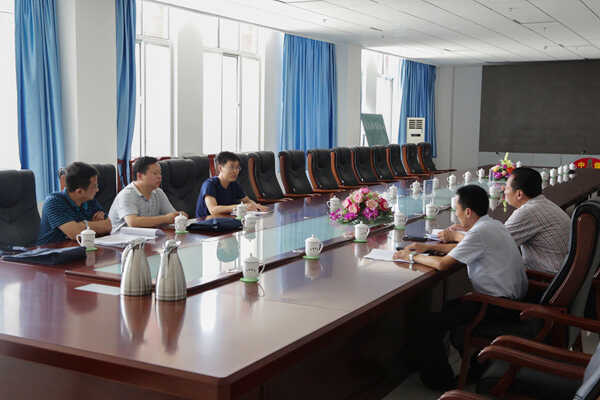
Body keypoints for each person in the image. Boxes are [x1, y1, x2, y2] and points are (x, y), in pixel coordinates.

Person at [394, 185, 528, 390]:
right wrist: (427, 247)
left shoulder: (480, 232)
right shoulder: (493, 225)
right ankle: (468, 366)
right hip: (512, 300)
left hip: (498, 305)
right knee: (448, 309)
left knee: (428, 323)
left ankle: (440, 382)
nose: (455, 215)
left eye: (456, 210)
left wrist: (411, 256)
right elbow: (463, 247)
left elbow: (442, 264)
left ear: (468, 212)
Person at [440, 168, 570, 273]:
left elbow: (490, 244)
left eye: (506, 187)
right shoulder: (541, 203)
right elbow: (496, 235)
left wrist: (455, 235)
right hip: (560, 275)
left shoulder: (528, 212)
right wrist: (469, 229)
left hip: (545, 279)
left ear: (519, 194)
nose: (503, 190)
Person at [38, 162, 112, 245]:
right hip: (50, 250)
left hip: (79, 247)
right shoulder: (53, 202)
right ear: (79, 191)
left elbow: (108, 225)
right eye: (94, 187)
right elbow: (75, 233)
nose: (97, 190)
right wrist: (93, 224)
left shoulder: (90, 200)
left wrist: (83, 227)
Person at [109, 157, 186, 229]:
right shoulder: (127, 195)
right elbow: (133, 222)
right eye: (155, 173)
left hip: (147, 235)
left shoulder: (158, 192)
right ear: (140, 176)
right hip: (122, 237)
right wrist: (165, 218)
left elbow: (173, 216)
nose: (159, 177)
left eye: (160, 173)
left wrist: (180, 216)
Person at [195, 151, 269, 218]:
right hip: (205, 222)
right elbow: (213, 210)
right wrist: (240, 207)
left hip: (224, 220)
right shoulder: (209, 184)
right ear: (220, 168)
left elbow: (247, 200)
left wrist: (256, 206)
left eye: (237, 168)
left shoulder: (233, 184)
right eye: (231, 167)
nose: (235, 171)